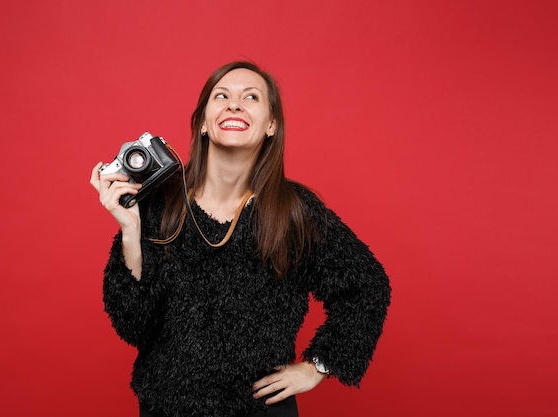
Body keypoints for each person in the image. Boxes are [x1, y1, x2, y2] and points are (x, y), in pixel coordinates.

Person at [90, 61, 391, 417]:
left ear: (271, 125)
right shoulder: (160, 204)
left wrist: (317, 366)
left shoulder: (295, 211)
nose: (234, 104)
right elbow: (133, 326)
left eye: (251, 97)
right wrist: (130, 230)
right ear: (203, 122)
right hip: (166, 408)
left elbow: (367, 286)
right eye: (222, 96)